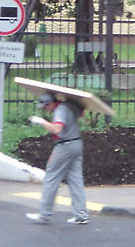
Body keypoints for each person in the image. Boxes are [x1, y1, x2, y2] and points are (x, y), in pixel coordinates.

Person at [25, 92, 89, 225]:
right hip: (77, 143)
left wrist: (41, 121)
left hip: (64, 146)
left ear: (50, 103)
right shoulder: (69, 105)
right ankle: (81, 215)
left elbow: (57, 129)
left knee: (51, 177)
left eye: (46, 106)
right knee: (76, 179)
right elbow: (82, 113)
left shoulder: (60, 110)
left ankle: (44, 214)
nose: (46, 110)